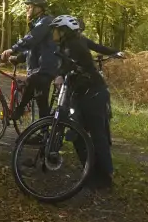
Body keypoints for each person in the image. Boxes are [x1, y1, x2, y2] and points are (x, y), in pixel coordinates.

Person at [49, 15, 124, 191]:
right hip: (80, 93)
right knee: (76, 133)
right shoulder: (67, 44)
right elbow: (96, 48)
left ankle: (105, 177)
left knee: (98, 136)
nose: (52, 33)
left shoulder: (74, 45)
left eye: (55, 30)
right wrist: (114, 51)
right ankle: (90, 173)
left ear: (64, 31)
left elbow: (71, 62)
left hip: (94, 93)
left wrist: (60, 74)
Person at [0, 0, 62, 120]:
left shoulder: (45, 22)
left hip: (46, 67)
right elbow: (34, 47)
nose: (27, 9)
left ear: (39, 8)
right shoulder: (38, 23)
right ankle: (44, 130)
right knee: (41, 103)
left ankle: (20, 110)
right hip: (40, 67)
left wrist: (13, 49)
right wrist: (19, 58)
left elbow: (31, 39)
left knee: (32, 82)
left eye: (30, 6)